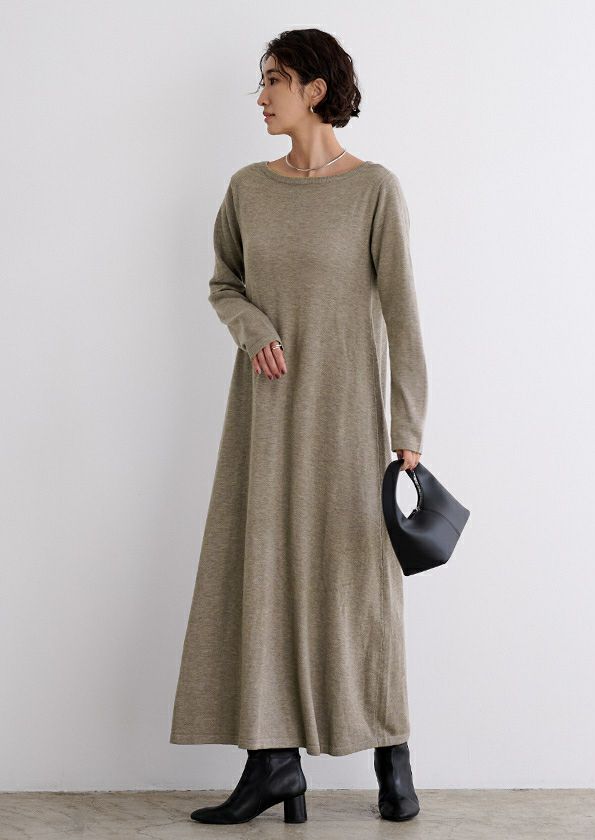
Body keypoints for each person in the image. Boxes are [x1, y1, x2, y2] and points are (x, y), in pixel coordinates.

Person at [169, 28, 428, 824]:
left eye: (274, 81)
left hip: (348, 420)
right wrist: (253, 328)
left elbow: (402, 313)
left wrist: (407, 426)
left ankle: (392, 754)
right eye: (263, 82)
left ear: (316, 89)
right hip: (266, 414)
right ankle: (272, 763)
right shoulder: (248, 189)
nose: (261, 97)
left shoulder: (375, 189)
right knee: (262, 576)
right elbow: (224, 283)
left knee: (359, 586)